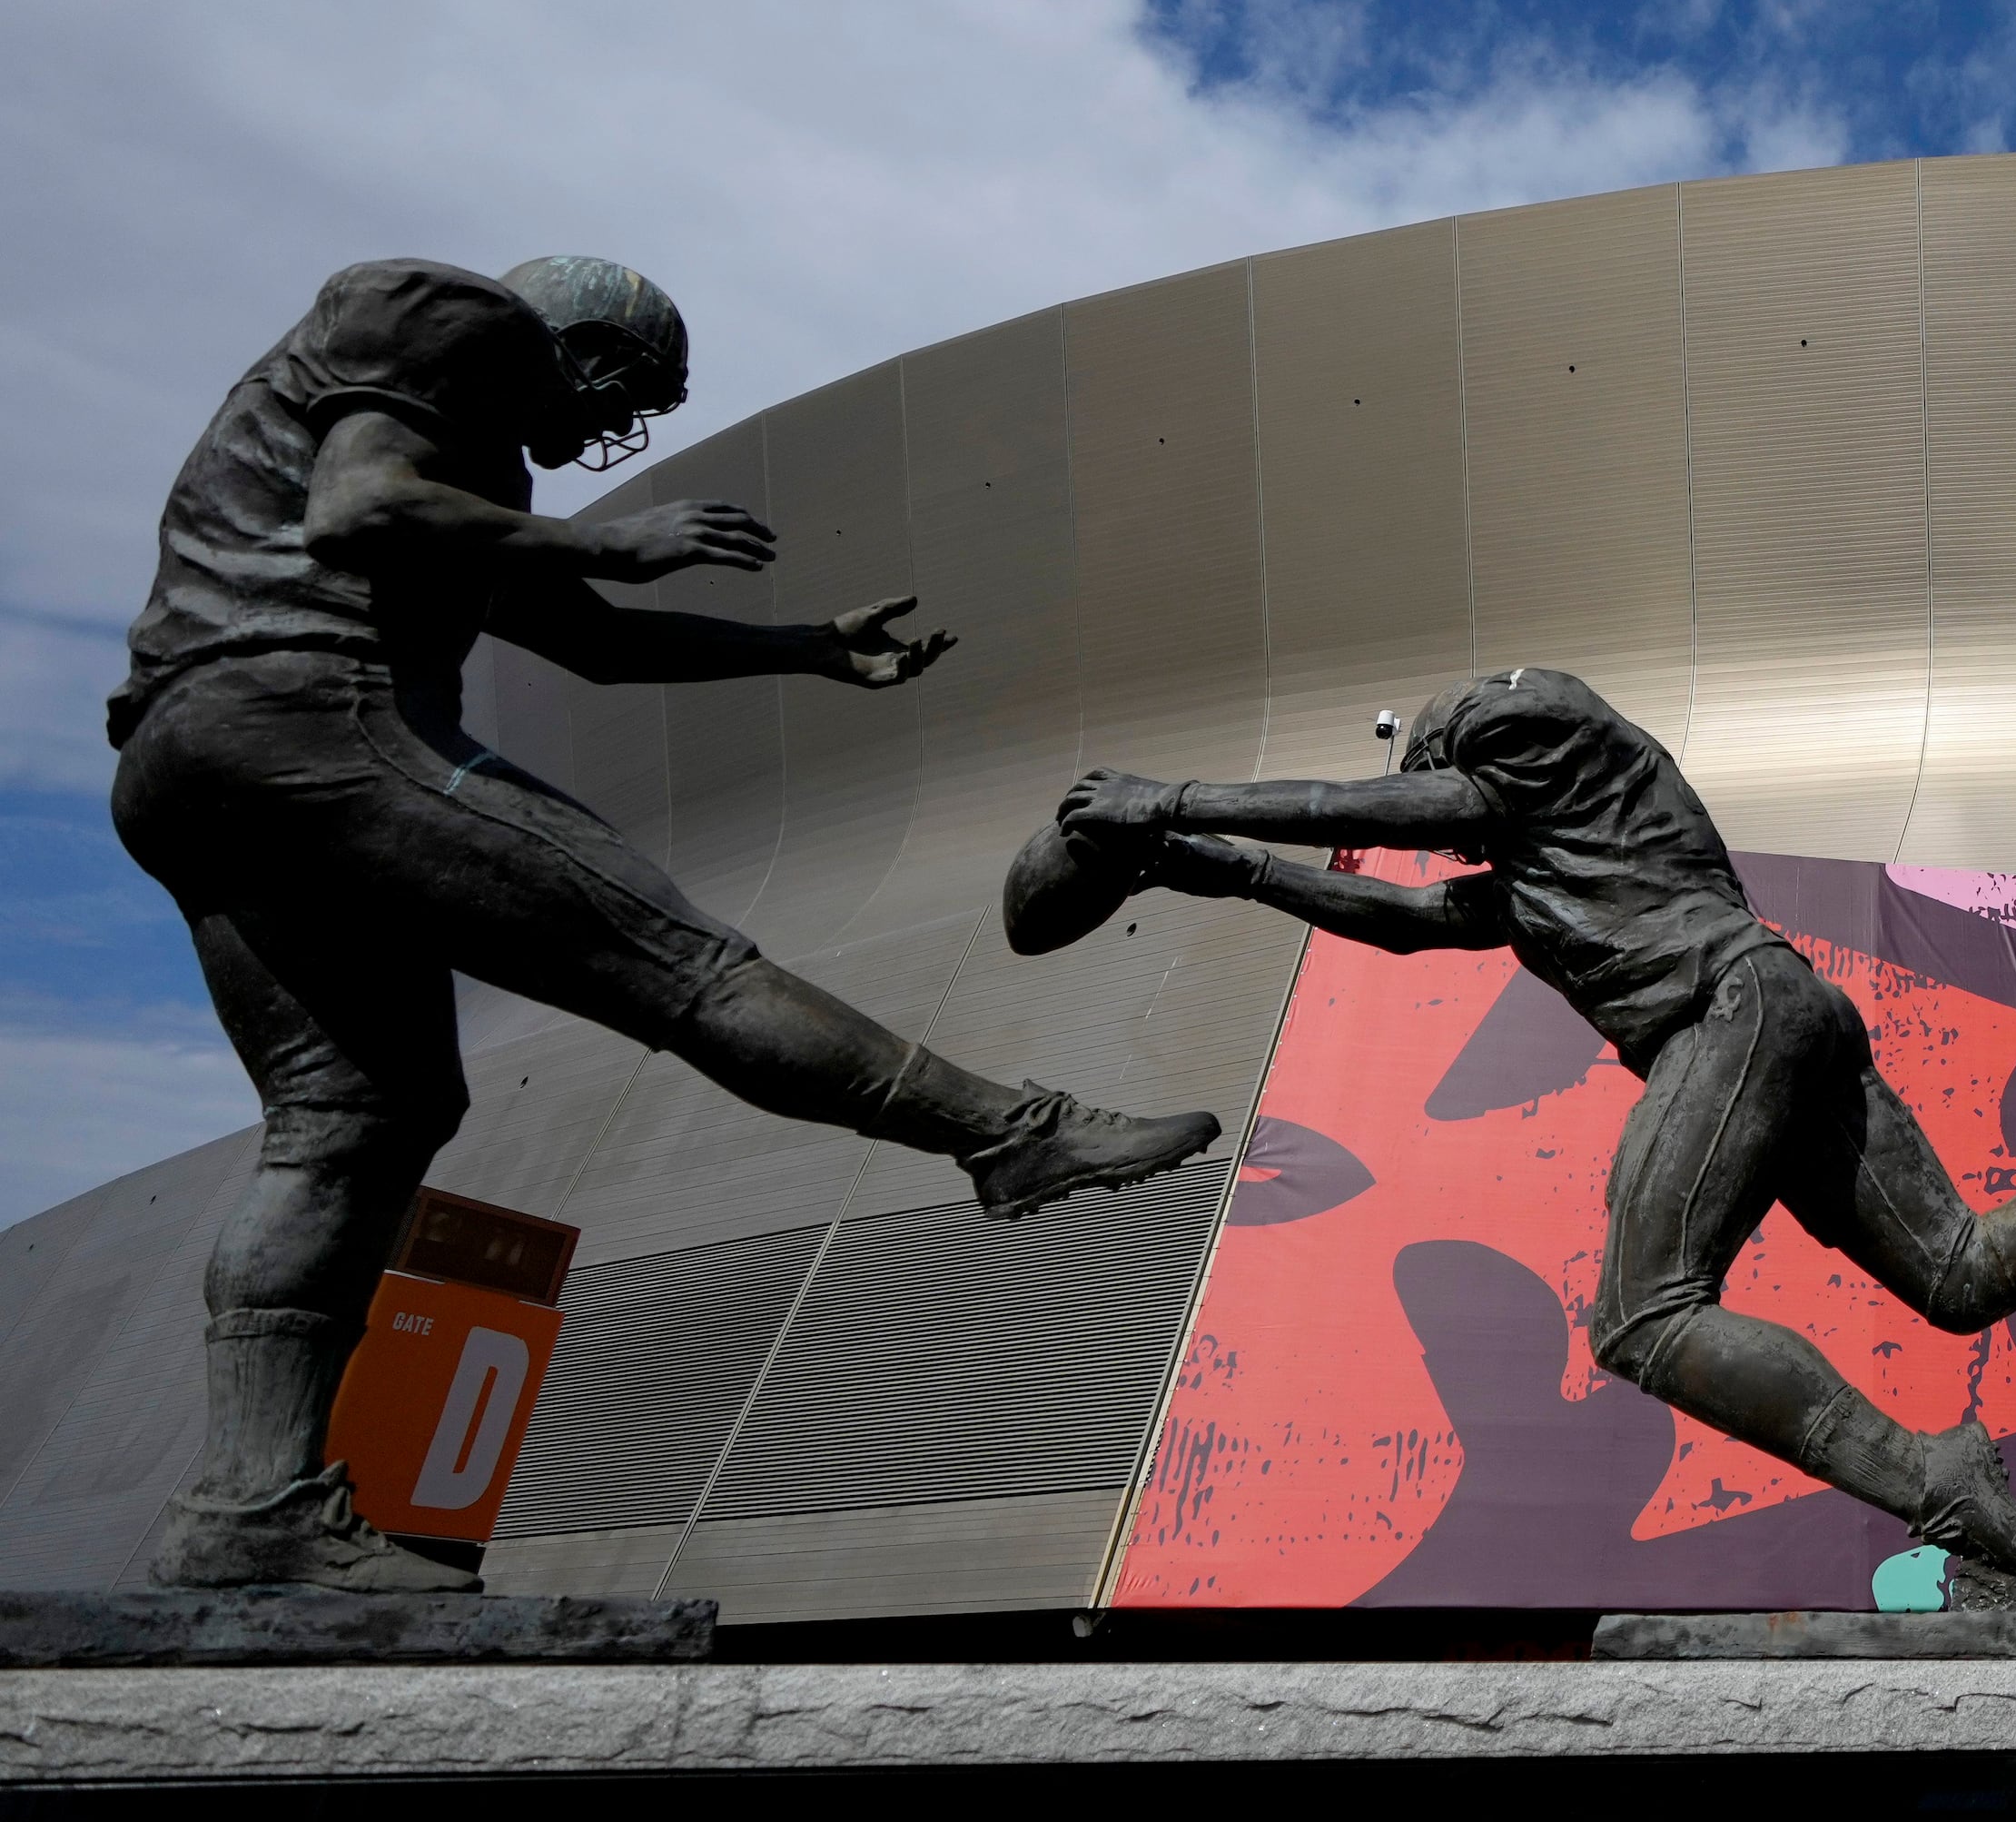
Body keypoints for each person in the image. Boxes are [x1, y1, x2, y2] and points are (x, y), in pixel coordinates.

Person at [108, 257, 1223, 1594]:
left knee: (353, 1119)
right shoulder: (445, 315)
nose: (614, 431)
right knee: (683, 964)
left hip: (186, 763)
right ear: (567, 341)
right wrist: (602, 536)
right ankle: (1008, 1135)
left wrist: (804, 645)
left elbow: (599, 646)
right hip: (304, 711)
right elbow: (358, 513)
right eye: (627, 390)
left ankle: (250, 1510)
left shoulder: (479, 484)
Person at [1032, 666, 2016, 1603]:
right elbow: (1404, 919)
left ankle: (1938, 1478)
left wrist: (1180, 800)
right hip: (1787, 1009)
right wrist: (1219, 871)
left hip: (1727, 1011)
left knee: (1643, 1316)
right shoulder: (1557, 861)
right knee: (1963, 1273)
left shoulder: (1531, 738)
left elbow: (1411, 816)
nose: (1442, 816)